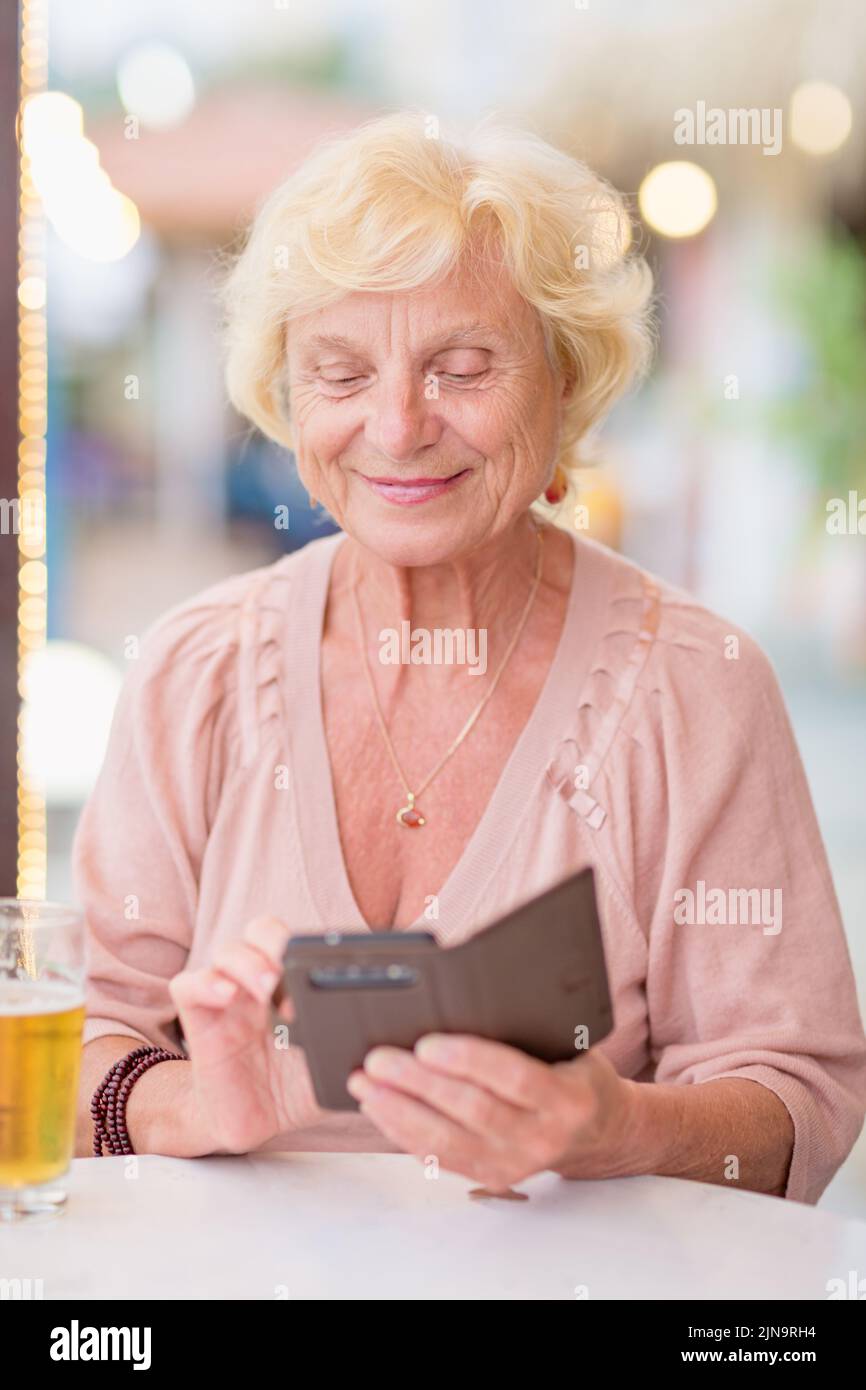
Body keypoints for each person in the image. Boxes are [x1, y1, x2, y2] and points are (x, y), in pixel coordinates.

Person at [73, 112, 866, 1204]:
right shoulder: (188, 669)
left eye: (460, 366)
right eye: (341, 374)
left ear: (565, 381)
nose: (398, 428)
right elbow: (75, 1041)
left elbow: (796, 1105)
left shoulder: (697, 684)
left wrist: (615, 1126)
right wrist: (192, 1103)